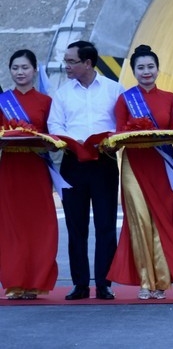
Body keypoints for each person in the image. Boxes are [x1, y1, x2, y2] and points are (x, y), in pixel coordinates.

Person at [107, 45, 173, 300]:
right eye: (141, 67)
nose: (146, 72)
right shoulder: (125, 99)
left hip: (162, 167)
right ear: (134, 71)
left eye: (151, 66)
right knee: (139, 223)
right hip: (134, 167)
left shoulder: (170, 99)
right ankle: (144, 280)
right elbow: (117, 135)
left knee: (163, 223)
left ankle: (161, 282)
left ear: (158, 69)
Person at [48, 40, 124, 300]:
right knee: (75, 226)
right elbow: (54, 125)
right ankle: (80, 283)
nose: (66, 66)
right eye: (66, 61)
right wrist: (72, 141)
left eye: (71, 61)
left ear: (88, 63)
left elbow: (122, 125)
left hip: (104, 161)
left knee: (105, 225)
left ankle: (104, 283)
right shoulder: (62, 93)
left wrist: (113, 142)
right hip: (73, 163)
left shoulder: (114, 90)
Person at [0, 50, 58, 300]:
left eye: (25, 67)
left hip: (36, 168)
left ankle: (36, 281)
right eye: (15, 68)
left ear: (35, 70)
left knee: (39, 226)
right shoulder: (3, 100)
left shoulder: (46, 102)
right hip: (11, 168)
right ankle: (15, 281)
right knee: (11, 227)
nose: (20, 72)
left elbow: (54, 135)